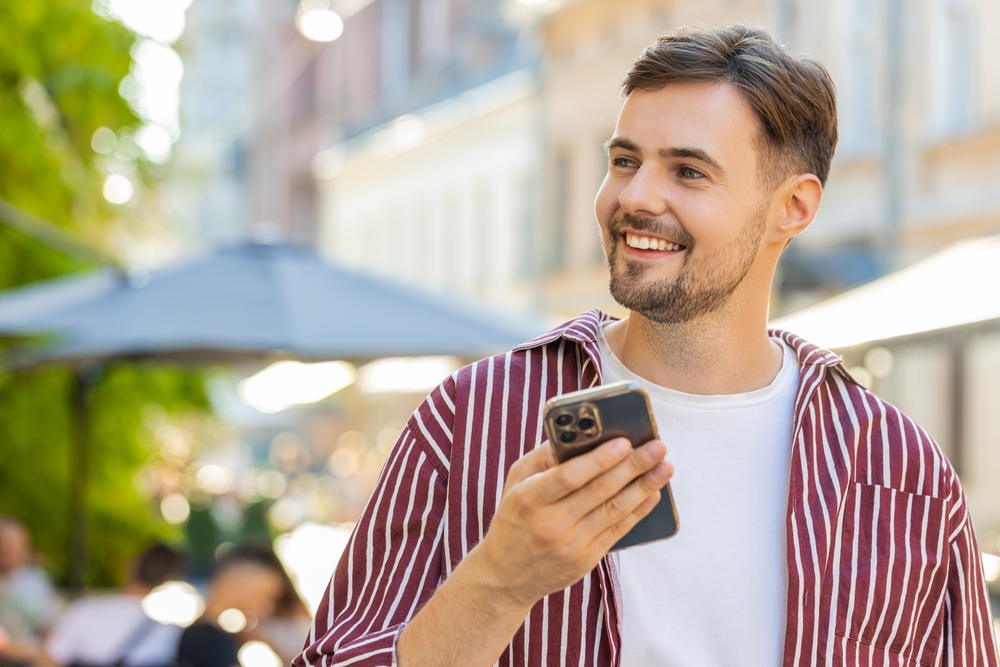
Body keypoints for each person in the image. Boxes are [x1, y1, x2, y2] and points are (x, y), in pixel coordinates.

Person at [294, 25, 1000, 667]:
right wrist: (500, 580)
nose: (636, 196)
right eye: (625, 160)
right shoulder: (471, 421)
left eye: (688, 171)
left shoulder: (898, 468)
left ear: (793, 207)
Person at [45, 544, 184, 667]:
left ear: (131, 564)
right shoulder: (170, 633)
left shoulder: (84, 611)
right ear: (167, 579)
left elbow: (49, 660)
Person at [175, 546, 285, 667]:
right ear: (242, 579)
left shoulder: (203, 633)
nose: (268, 607)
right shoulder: (210, 638)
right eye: (266, 595)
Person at [0, 518, 59, 649]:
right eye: (4, 542)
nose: (7, 548)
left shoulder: (37, 581)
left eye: (13, 543)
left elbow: (48, 626)